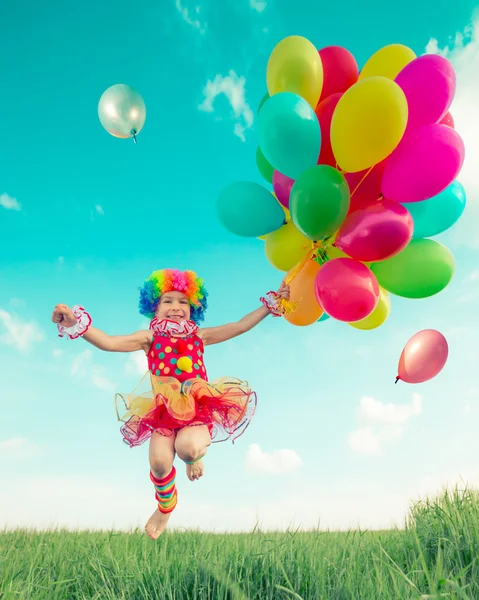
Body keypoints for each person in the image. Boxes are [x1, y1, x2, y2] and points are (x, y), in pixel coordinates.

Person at [51, 268, 290, 540]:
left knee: (187, 449)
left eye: (183, 302)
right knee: (159, 462)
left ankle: (195, 458)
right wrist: (73, 323)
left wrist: (271, 306)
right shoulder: (149, 338)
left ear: (193, 308)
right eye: (167, 301)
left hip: (198, 410)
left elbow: (240, 325)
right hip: (163, 412)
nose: (176, 307)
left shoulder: (198, 336)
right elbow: (109, 343)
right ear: (154, 307)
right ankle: (166, 506)